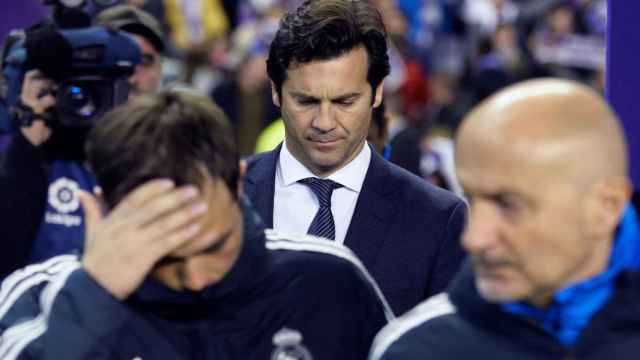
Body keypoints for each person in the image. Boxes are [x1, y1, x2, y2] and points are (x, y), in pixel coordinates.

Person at [0, 90, 392, 360]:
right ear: (103, 209)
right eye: (163, 257)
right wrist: (95, 295)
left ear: (239, 182)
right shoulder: (40, 297)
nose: (195, 278)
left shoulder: (329, 279)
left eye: (214, 246)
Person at [370, 78, 640, 359]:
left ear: (606, 207)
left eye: (509, 205)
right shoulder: (416, 350)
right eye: (472, 199)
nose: (474, 239)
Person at [244, 0, 467, 316]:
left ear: (377, 93)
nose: (324, 122)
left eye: (345, 101)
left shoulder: (438, 220)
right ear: (276, 92)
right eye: (306, 101)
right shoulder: (224, 196)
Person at [0, 5, 165, 278]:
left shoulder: (172, 156)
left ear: (162, 70)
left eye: (145, 61)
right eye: (114, 68)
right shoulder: (41, 154)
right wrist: (29, 139)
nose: (132, 78)